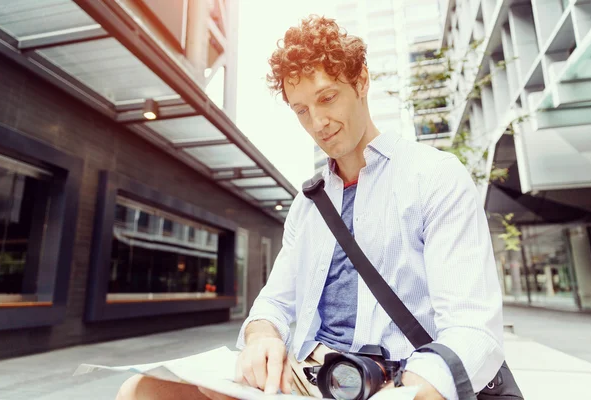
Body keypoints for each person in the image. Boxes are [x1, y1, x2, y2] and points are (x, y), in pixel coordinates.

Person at [116, 15, 504, 400]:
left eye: (327, 97)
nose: (318, 123)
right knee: (142, 390)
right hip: (311, 378)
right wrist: (262, 336)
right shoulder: (308, 204)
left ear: (361, 81)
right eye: (301, 110)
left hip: (401, 382)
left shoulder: (435, 177)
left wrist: (419, 390)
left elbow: (473, 329)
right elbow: (274, 302)